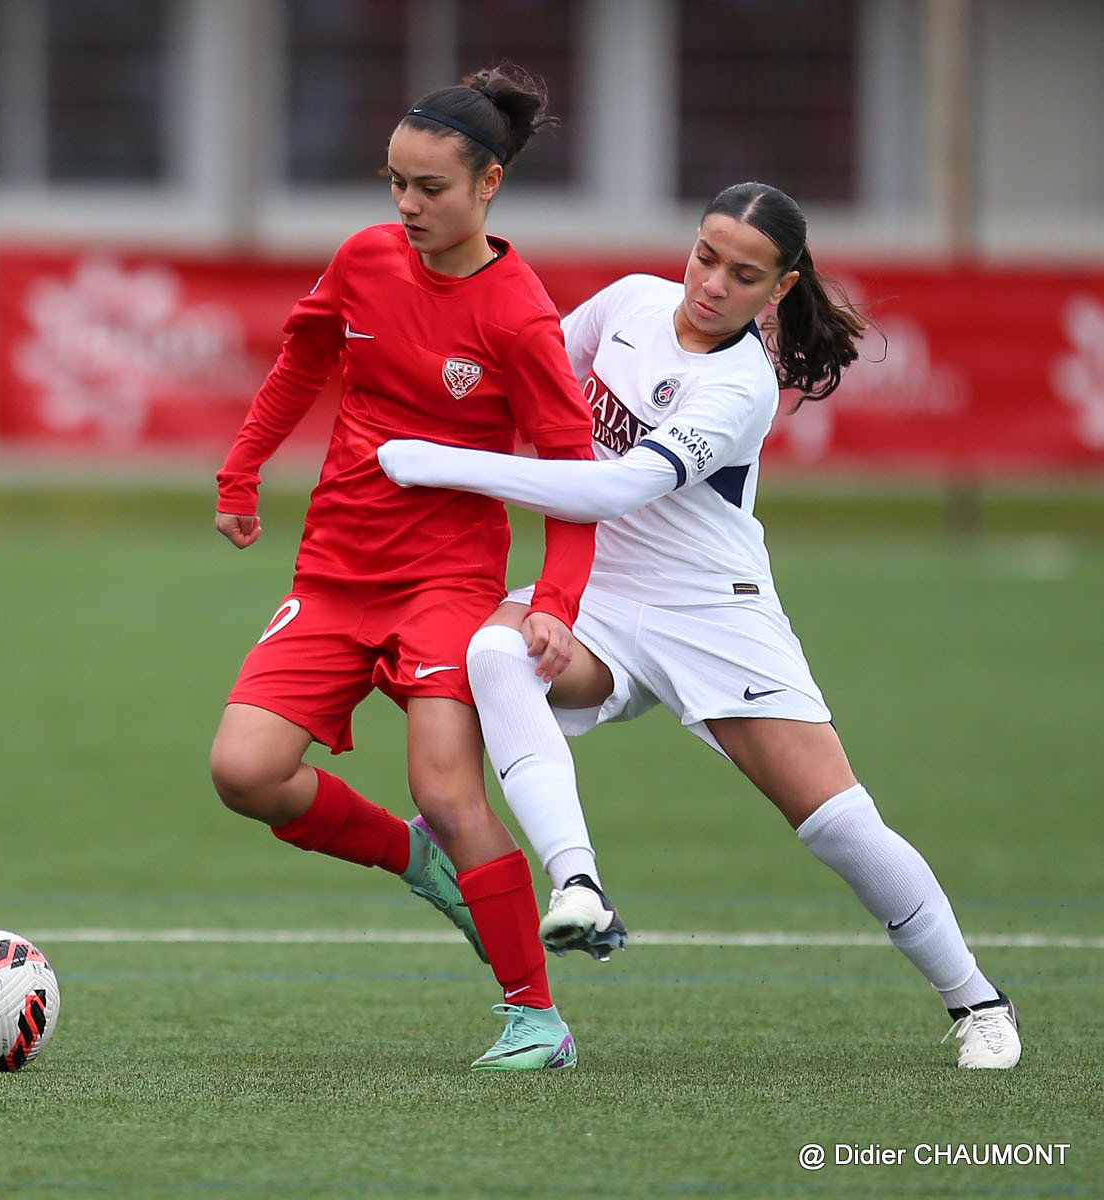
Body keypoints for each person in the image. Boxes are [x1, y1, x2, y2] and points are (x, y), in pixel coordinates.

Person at [377, 180, 1023, 1069]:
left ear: (781, 289)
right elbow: (523, 391)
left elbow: (616, 487)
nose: (712, 283)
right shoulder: (632, 304)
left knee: (838, 824)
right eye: (706, 256)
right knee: (494, 651)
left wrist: (444, 466)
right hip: (599, 598)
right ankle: (577, 883)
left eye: (743, 274)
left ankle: (978, 1003)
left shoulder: (741, 386)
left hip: (714, 614)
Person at [209, 66, 598, 1070]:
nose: (408, 205)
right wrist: (242, 471)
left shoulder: (520, 316)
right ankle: (410, 860)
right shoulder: (364, 262)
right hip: (335, 571)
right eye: (395, 183)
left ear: (489, 186)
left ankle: (535, 1016)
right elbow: (302, 361)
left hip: (447, 584)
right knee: (244, 772)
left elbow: (572, 478)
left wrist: (553, 602)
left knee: (450, 787)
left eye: (430, 187)